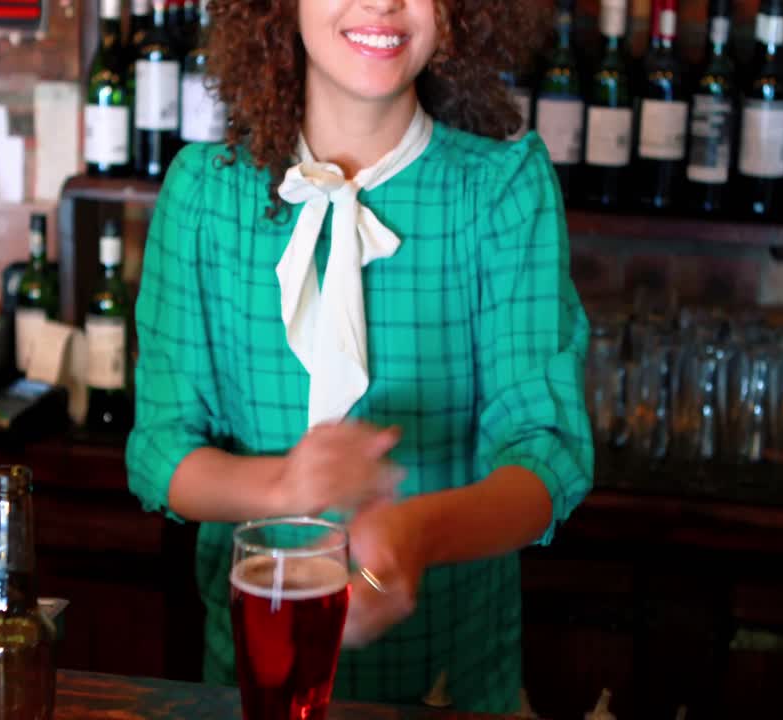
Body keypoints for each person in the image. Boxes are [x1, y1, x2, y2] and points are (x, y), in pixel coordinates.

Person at [126, 0, 593, 713]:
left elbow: (545, 454)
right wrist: (282, 485)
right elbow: (160, 452)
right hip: (253, 680)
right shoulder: (203, 195)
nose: (382, 3)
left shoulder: (502, 190)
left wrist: (416, 534)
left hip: (449, 688)